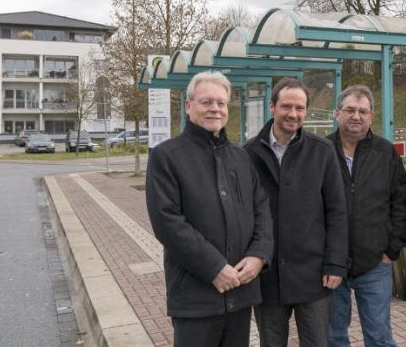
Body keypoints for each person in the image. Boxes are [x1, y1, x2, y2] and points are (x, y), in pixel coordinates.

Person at [145, 71, 273, 347]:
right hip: (196, 295)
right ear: (189, 105)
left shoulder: (241, 157)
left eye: (221, 103)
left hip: (241, 291)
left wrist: (259, 255)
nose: (215, 108)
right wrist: (214, 268)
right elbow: (167, 222)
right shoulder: (166, 157)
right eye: (206, 102)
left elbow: (261, 208)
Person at [244, 77, 348, 347]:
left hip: (313, 275)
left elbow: (336, 211)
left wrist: (335, 263)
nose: (293, 114)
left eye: (300, 108)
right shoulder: (248, 154)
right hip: (267, 276)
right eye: (286, 106)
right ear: (272, 107)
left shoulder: (322, 151)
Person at [326, 85, 406, 347]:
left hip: (375, 262)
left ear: (371, 116)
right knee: (333, 336)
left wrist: (392, 250)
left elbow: (401, 201)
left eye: (363, 111)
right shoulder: (320, 150)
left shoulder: (385, 152)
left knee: (379, 336)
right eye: (350, 110)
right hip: (330, 263)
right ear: (337, 113)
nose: (356, 116)